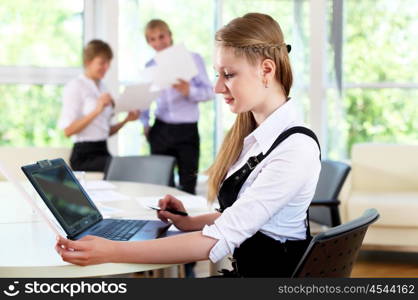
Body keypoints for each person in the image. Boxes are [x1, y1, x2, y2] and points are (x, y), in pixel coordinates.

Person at [55, 13, 321, 278]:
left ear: (266, 70)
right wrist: (188, 222)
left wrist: (112, 251)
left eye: (228, 75)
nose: (217, 87)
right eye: (218, 74)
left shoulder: (295, 149)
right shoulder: (256, 139)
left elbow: (218, 239)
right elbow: (243, 218)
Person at [140, 19, 214, 195]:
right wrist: (145, 124)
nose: (158, 42)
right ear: (148, 43)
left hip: (186, 131)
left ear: (170, 35)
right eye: (152, 39)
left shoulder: (193, 59)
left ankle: (186, 222)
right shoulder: (150, 66)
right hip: (160, 129)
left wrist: (189, 90)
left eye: (161, 36)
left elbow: (210, 92)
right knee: (161, 187)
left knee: (188, 185)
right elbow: (145, 98)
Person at [58, 40, 139, 172]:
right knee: (127, 168)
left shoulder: (102, 87)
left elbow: (103, 131)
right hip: (84, 155)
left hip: (103, 150)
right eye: (101, 63)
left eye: (108, 63)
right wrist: (97, 110)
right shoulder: (75, 86)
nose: (106, 67)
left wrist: (126, 121)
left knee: (134, 165)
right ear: (88, 62)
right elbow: (68, 131)